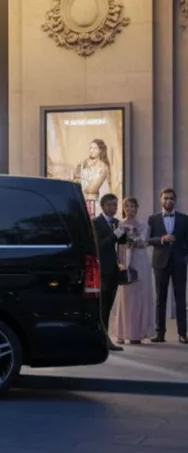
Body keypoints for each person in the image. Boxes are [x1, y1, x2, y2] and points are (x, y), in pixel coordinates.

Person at [112, 197, 156, 345]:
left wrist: (133, 237)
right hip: (126, 261)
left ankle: (137, 333)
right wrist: (122, 233)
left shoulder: (143, 224)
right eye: (127, 207)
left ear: (137, 208)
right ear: (123, 208)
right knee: (126, 297)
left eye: (133, 207)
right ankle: (122, 332)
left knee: (141, 296)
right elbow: (116, 240)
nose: (130, 210)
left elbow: (143, 241)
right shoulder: (120, 224)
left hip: (141, 261)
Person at [148, 187, 188, 344]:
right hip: (160, 262)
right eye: (165, 198)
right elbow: (149, 240)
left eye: (171, 198)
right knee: (160, 298)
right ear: (161, 200)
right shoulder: (153, 219)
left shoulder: (185, 219)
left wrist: (184, 256)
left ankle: (182, 333)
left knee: (180, 298)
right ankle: (160, 333)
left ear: (175, 200)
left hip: (179, 263)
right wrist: (162, 239)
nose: (168, 201)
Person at [93, 194, 126, 352]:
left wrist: (125, 234)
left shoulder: (116, 223)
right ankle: (103, 339)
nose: (114, 208)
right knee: (103, 306)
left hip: (114, 269)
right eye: (111, 205)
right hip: (102, 270)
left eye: (116, 204)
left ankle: (106, 339)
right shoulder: (96, 223)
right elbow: (100, 245)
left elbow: (121, 242)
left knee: (109, 305)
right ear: (103, 206)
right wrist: (115, 235)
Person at [74, 139, 112, 217]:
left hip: (96, 202)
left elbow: (92, 189)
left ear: (100, 150)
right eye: (90, 148)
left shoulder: (103, 166)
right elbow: (74, 179)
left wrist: (81, 182)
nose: (91, 150)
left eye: (95, 148)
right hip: (84, 200)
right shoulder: (84, 163)